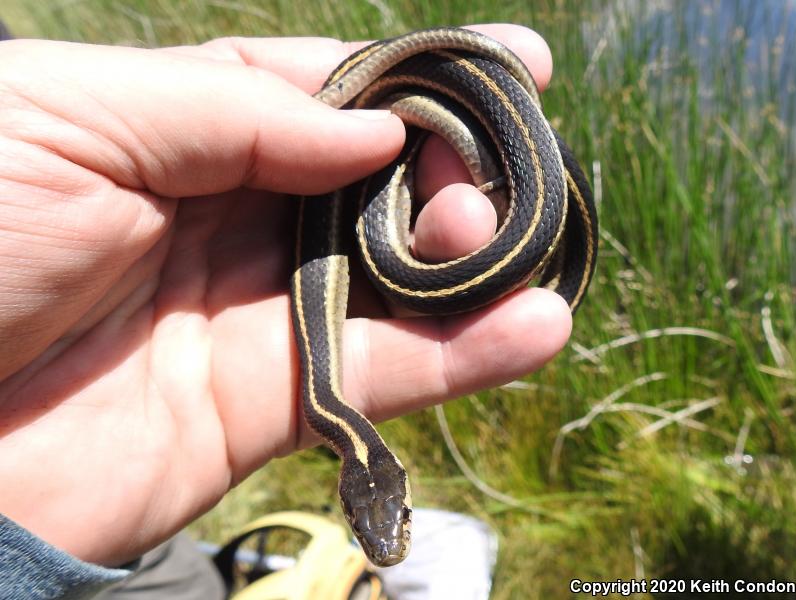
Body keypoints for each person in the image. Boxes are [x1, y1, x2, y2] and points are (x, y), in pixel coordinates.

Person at [0, 23, 571, 598]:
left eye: (386, 523)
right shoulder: (325, 407)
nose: (390, 539)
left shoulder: (327, 406)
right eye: (399, 519)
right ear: (384, 476)